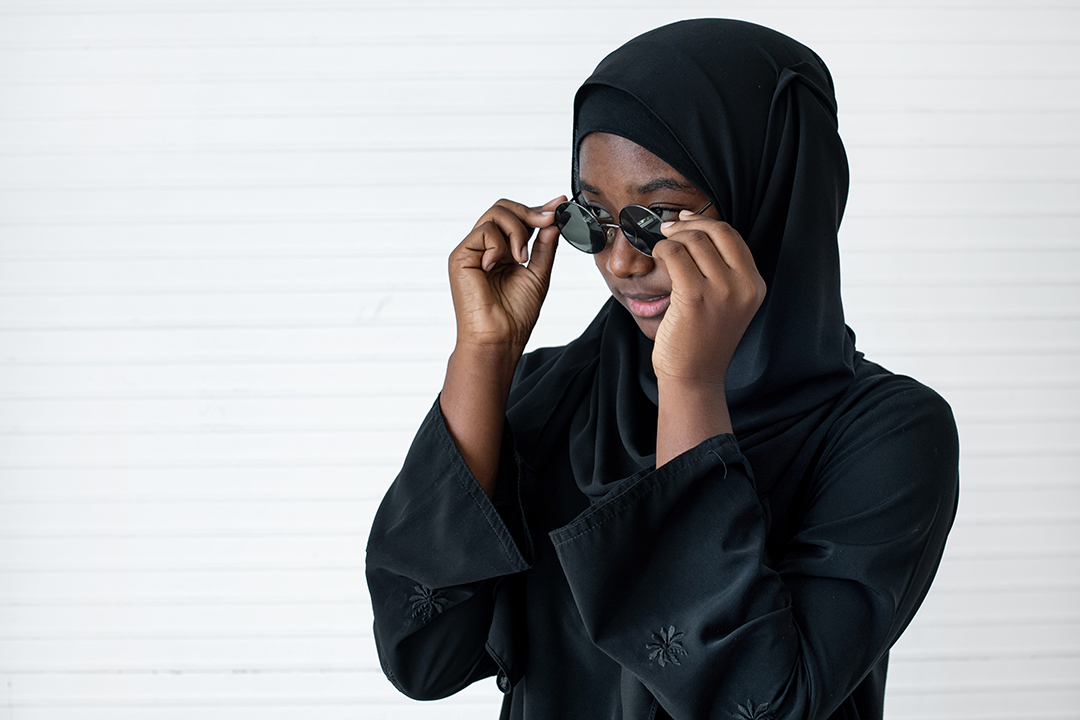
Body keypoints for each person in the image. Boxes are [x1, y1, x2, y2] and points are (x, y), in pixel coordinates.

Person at [365, 18, 959, 720]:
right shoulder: (552, 396)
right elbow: (422, 655)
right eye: (594, 218)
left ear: (769, 197)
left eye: (659, 217)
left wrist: (690, 384)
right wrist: (485, 354)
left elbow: (751, 705)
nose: (621, 261)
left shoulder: (888, 434)